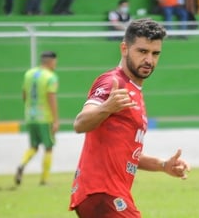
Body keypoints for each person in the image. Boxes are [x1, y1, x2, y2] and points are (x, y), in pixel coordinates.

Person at [69, 18, 191, 217]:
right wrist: (106, 107)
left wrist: (162, 165)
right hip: (102, 192)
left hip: (105, 194)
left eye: (155, 53)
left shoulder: (135, 91)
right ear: (124, 48)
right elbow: (80, 123)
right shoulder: (112, 82)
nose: (149, 60)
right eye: (142, 51)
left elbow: (126, 155)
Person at [15, 51, 60, 186]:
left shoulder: (29, 74)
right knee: (48, 148)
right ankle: (44, 180)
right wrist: (55, 119)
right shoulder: (50, 77)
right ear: (51, 61)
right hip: (44, 118)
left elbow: (24, 95)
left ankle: (22, 164)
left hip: (30, 116)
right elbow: (51, 98)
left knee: (33, 146)